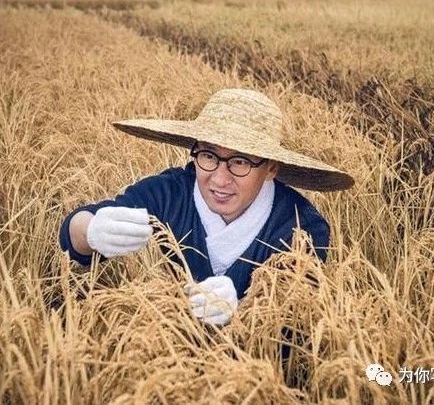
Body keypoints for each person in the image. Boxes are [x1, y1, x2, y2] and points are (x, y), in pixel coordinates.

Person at [59, 88, 353, 328]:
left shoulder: (301, 228)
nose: (219, 179)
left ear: (271, 168)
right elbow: (73, 233)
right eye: (209, 155)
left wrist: (243, 307)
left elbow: (293, 324)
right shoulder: (170, 194)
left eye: (240, 162)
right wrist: (91, 231)